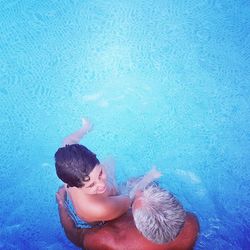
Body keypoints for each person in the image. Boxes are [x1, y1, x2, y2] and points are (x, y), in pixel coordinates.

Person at [56, 184, 200, 250]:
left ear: (139, 225)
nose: (138, 191)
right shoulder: (191, 224)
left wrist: (61, 203)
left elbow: (73, 234)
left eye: (135, 200)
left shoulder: (107, 240)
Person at [54, 118, 131, 224]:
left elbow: (68, 141)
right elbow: (130, 200)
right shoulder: (98, 208)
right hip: (102, 216)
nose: (101, 184)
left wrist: (85, 128)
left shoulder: (68, 160)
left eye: (100, 173)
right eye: (91, 185)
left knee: (110, 159)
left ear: (95, 156)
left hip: (101, 199)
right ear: (74, 186)